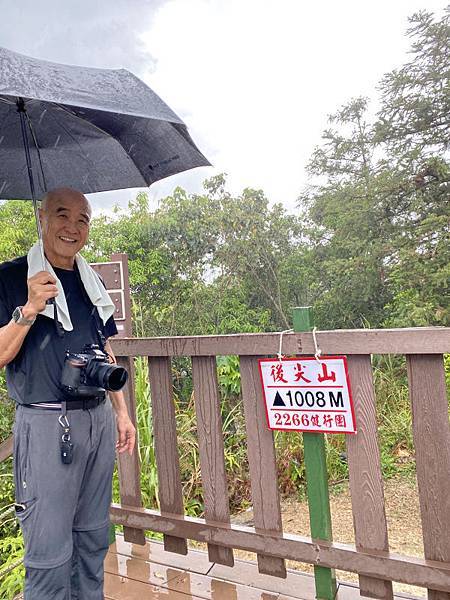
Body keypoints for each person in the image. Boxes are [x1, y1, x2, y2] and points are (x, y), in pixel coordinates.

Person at [0, 188, 136, 599]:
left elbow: (103, 345)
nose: (72, 227)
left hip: (96, 419)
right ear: (42, 218)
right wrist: (28, 309)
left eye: (83, 219)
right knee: (49, 552)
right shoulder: (12, 278)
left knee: (93, 539)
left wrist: (122, 413)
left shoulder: (90, 281)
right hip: (45, 422)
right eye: (62, 215)